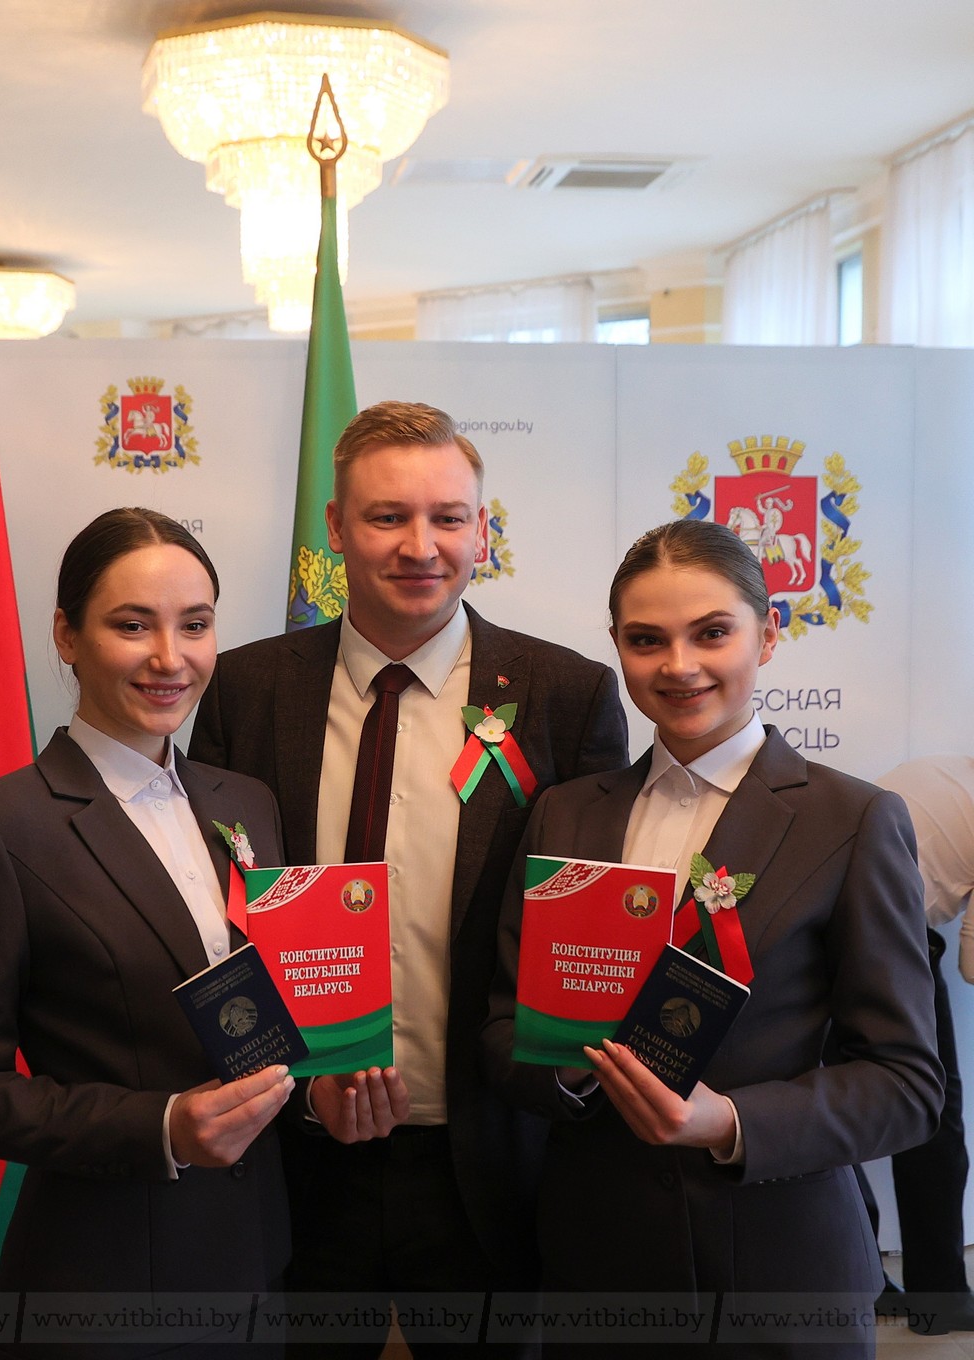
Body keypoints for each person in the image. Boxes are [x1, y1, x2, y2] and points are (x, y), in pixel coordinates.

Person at [189, 401, 629, 1357]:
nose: (420, 546)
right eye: (387, 516)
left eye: (448, 517)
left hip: (487, 1159)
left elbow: (584, 947)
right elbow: (218, 923)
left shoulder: (567, 695)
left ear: (483, 529)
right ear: (336, 527)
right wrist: (295, 1087)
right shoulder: (246, 689)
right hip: (295, 1150)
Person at [481, 518, 944, 1358]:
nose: (679, 665)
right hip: (600, 1266)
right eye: (647, 640)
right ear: (617, 648)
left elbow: (905, 1084)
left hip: (780, 1271)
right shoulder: (567, 814)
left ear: (768, 634)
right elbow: (504, 1028)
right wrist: (569, 1072)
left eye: (712, 633)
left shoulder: (853, 819)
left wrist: (726, 1121)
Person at [0, 508, 293, 1359]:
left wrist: (322, 1085)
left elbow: (261, 1018)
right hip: (105, 1286)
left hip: (260, 1265)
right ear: (67, 635)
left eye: (194, 625)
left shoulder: (246, 802)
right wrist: (162, 1128)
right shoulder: (0, 826)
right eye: (132, 625)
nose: (170, 658)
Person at [871, 754, 974, 1335]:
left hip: (818, 927)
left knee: (824, 1109)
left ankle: (864, 1280)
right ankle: (941, 1299)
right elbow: (973, 967)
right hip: (892, 935)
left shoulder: (943, 767)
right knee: (933, 1116)